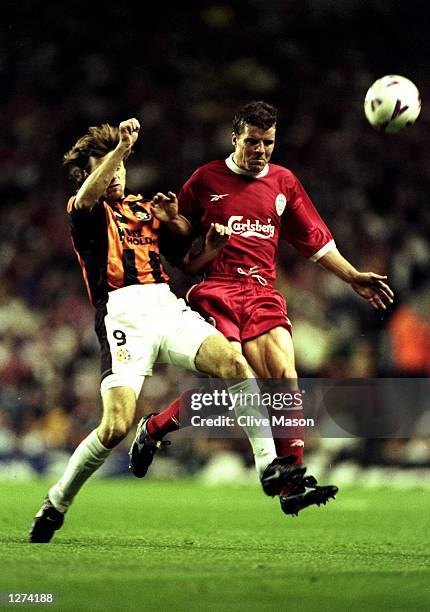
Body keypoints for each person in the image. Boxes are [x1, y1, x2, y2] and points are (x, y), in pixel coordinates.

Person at [29, 117, 305, 543]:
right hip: (122, 316)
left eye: (121, 166)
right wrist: (121, 148)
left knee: (233, 361)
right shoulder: (83, 209)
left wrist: (179, 223)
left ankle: (268, 463)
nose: (118, 173)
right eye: (109, 167)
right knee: (116, 427)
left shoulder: (143, 208)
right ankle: (57, 501)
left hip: (165, 304)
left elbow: (185, 260)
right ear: (90, 172)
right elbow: (86, 197)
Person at [129, 101, 394, 516]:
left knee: (284, 376)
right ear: (235, 138)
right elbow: (181, 245)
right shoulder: (205, 180)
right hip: (216, 289)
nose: (261, 150)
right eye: (252, 142)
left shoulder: (284, 183)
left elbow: (317, 241)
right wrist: (172, 221)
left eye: (268, 142)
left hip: (261, 292)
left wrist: (353, 276)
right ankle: (155, 428)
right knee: (233, 382)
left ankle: (291, 485)